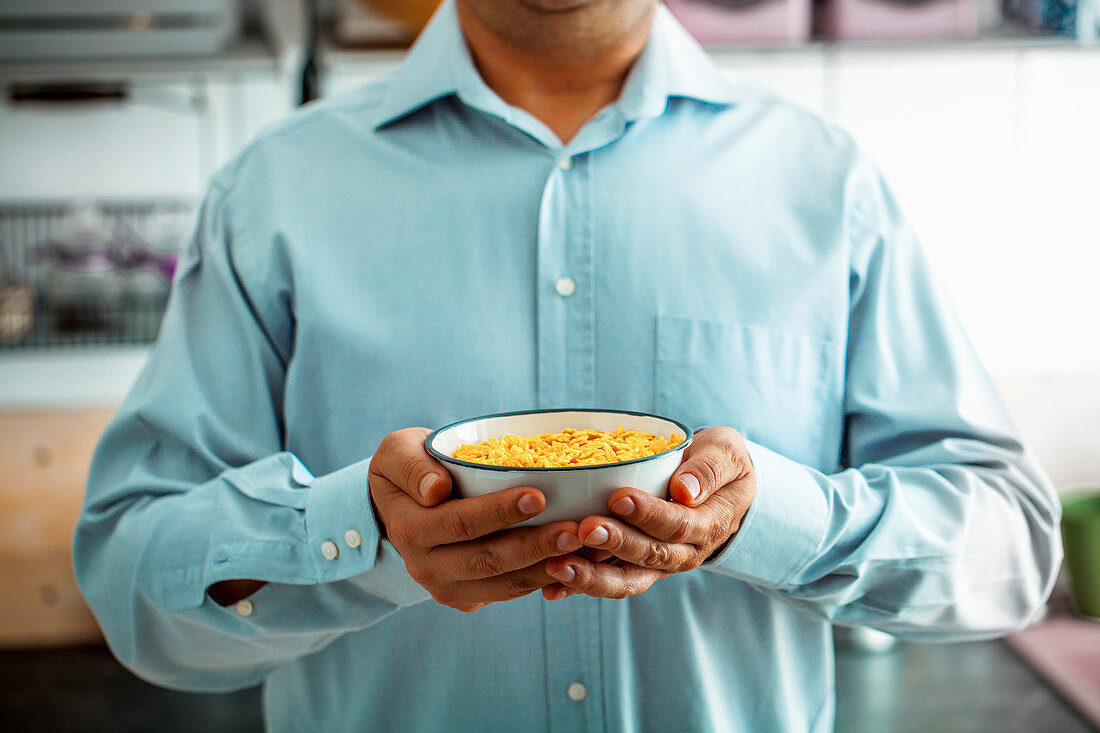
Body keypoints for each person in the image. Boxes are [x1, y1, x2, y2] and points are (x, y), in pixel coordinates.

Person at [74, 0, 1062, 730]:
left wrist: (769, 521)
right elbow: (132, 581)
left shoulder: (820, 182)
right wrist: (357, 533)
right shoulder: (272, 190)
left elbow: (1008, 551)